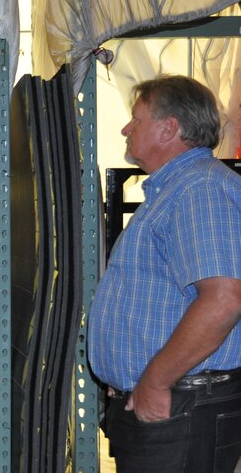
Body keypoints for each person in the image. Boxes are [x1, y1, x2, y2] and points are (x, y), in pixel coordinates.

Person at [88, 75, 241, 472]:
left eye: (135, 120)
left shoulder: (200, 190)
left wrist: (153, 380)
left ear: (168, 128)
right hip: (167, 400)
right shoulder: (175, 190)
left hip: (181, 404)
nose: (126, 128)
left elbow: (224, 299)